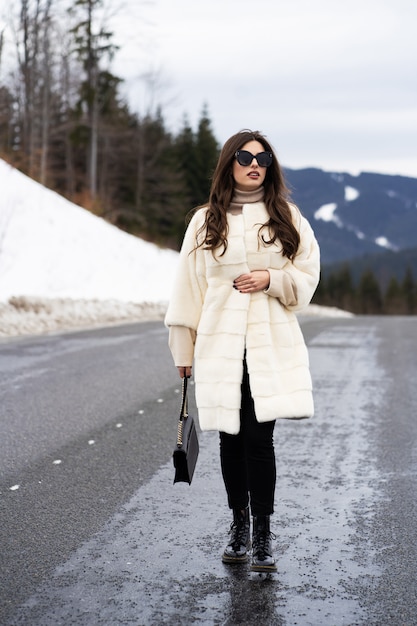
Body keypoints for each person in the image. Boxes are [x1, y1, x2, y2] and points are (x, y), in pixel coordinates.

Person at [165, 129, 320, 573]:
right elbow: (187, 289)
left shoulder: (287, 216)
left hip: (270, 345)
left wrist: (272, 280)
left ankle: (264, 533)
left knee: (259, 440)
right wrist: (183, 348)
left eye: (263, 158)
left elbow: (307, 276)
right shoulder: (204, 221)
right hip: (219, 345)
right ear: (228, 163)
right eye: (245, 156)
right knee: (230, 440)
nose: (255, 164)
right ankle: (238, 525)